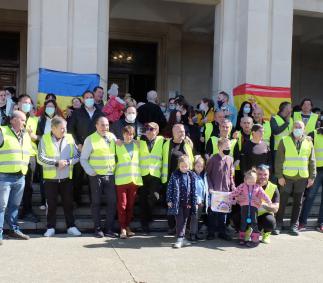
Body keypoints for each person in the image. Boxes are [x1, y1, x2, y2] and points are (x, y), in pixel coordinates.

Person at [38, 116, 81, 237]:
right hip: (50, 178)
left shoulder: (70, 138)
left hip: (66, 177)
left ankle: (71, 226)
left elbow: (78, 155)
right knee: (51, 204)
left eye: (65, 128)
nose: (65, 130)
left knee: (68, 203)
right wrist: (56, 163)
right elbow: (40, 158)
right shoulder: (45, 139)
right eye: (62, 128)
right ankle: (50, 227)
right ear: (53, 128)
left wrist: (67, 162)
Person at [275, 121, 316, 236]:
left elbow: (312, 161)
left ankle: (294, 225)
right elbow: (279, 160)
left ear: (304, 129)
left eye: (300, 127)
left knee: (298, 203)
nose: (297, 128)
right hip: (286, 177)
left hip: (302, 177)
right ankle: (278, 224)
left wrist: (312, 177)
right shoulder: (284, 140)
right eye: (296, 126)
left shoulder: (309, 142)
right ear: (292, 128)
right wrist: (279, 176)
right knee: (282, 201)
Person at [80, 116, 117, 238]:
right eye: (102, 125)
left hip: (110, 175)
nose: (104, 127)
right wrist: (91, 172)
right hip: (96, 176)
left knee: (112, 202)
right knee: (96, 203)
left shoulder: (112, 137)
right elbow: (83, 159)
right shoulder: (90, 139)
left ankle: (109, 229)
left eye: (106, 125)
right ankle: (97, 229)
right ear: (96, 126)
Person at [0, 111, 32, 245]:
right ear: (13, 120)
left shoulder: (25, 135)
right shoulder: (2, 131)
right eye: (22, 120)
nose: (25, 123)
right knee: (2, 206)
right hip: (4, 176)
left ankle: (13, 229)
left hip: (20, 175)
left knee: (15, 206)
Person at [67, 90, 104, 205]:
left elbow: (104, 129)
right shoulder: (77, 113)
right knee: (78, 176)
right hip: (80, 148)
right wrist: (78, 143)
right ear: (83, 99)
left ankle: (94, 201)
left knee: (93, 176)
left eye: (91, 97)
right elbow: (70, 130)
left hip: (95, 150)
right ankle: (76, 200)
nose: (89, 99)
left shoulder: (100, 112)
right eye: (87, 97)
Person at [162, 123, 194, 234]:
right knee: (171, 204)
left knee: (185, 205)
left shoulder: (187, 144)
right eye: (180, 131)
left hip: (186, 181)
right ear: (173, 133)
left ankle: (184, 228)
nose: (182, 134)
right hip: (171, 180)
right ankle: (172, 227)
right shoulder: (166, 144)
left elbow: (191, 161)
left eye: (183, 131)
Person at [230, 169, 272, 247]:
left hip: (253, 208)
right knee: (243, 222)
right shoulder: (242, 186)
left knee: (254, 223)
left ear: (256, 180)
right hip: (244, 208)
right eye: (249, 180)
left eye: (253, 180)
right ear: (245, 179)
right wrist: (231, 197)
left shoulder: (258, 187)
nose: (251, 182)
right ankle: (241, 238)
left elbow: (264, 195)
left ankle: (255, 239)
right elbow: (235, 192)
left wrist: (268, 201)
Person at [115, 125, 143, 239]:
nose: (129, 136)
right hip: (121, 180)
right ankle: (122, 228)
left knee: (130, 205)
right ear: (123, 134)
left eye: (131, 134)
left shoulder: (137, 144)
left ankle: (127, 226)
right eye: (127, 134)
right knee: (122, 205)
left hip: (134, 180)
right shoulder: (117, 144)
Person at [206, 138, 235, 241]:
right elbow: (207, 174)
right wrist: (210, 187)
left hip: (226, 191)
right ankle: (211, 232)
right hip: (215, 192)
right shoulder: (213, 159)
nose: (228, 149)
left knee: (224, 213)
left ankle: (222, 232)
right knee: (213, 213)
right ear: (219, 147)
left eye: (229, 147)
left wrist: (233, 187)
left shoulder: (230, 159)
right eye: (226, 147)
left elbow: (231, 176)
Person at [138, 122, 164, 233]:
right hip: (142, 174)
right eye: (147, 128)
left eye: (152, 129)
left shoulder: (162, 141)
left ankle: (148, 216)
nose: (149, 130)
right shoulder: (139, 140)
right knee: (143, 199)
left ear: (157, 131)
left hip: (155, 174)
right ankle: (145, 224)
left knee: (154, 196)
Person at [17, 94, 40, 222]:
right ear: (19, 104)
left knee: (28, 186)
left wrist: (34, 136)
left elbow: (41, 138)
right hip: (14, 157)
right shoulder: (11, 119)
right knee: (14, 186)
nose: (27, 104)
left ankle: (27, 210)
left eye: (29, 103)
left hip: (30, 156)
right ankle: (13, 212)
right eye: (24, 102)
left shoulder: (35, 120)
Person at [166, 155, 197, 249]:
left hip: (187, 203)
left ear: (189, 166)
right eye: (182, 166)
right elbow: (170, 188)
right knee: (179, 220)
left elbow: (194, 190)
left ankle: (183, 238)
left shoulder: (191, 175)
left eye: (186, 166)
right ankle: (179, 238)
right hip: (177, 203)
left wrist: (194, 202)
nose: (184, 168)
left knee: (185, 220)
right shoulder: (175, 175)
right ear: (178, 166)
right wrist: (169, 200)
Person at [36, 99, 62, 208]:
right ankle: (43, 201)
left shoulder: (59, 120)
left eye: (52, 106)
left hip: (57, 152)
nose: (49, 108)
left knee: (56, 179)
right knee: (43, 179)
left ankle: (54, 201)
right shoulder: (40, 120)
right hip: (43, 152)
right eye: (48, 106)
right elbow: (37, 135)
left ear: (55, 108)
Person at [299, 127, 323, 232]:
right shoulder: (313, 133)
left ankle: (321, 223)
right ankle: (302, 222)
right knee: (310, 196)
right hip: (316, 170)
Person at [256, 165, 280, 243]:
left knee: (270, 221)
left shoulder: (273, 187)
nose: (262, 177)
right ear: (255, 174)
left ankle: (266, 233)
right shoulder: (249, 184)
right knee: (237, 217)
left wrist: (263, 204)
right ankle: (245, 232)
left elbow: (276, 209)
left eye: (265, 174)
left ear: (269, 175)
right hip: (251, 214)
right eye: (259, 174)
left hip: (264, 216)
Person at [189, 155, 208, 242]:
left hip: (201, 201)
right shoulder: (192, 176)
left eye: (201, 166)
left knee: (197, 218)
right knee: (194, 218)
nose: (200, 168)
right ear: (194, 166)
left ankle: (195, 233)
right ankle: (192, 234)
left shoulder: (201, 176)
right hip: (195, 201)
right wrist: (197, 199)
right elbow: (193, 189)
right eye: (198, 166)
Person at [233, 116, 253, 185]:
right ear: (241, 124)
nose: (246, 125)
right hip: (238, 167)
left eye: (248, 123)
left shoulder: (255, 135)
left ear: (252, 124)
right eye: (244, 123)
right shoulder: (235, 134)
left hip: (251, 166)